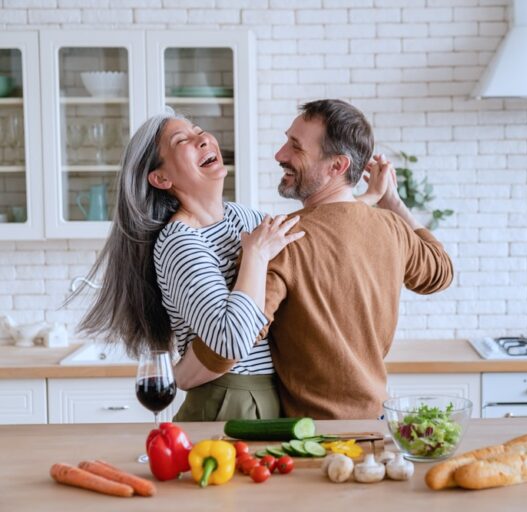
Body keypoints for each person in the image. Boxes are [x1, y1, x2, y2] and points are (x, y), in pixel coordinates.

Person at [205, 99, 453, 419]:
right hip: (376, 425)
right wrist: (393, 202)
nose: (280, 155)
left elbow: (235, 340)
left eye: (296, 147)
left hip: (313, 435)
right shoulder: (392, 227)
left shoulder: (282, 239)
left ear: (337, 166)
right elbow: (441, 272)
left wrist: (184, 371)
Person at [74, 110, 306, 421]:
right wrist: (255, 256)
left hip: (273, 395)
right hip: (227, 400)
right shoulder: (179, 242)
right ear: (161, 178)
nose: (203, 139)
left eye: (199, 131)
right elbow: (230, 341)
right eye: (182, 140)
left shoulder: (245, 218)